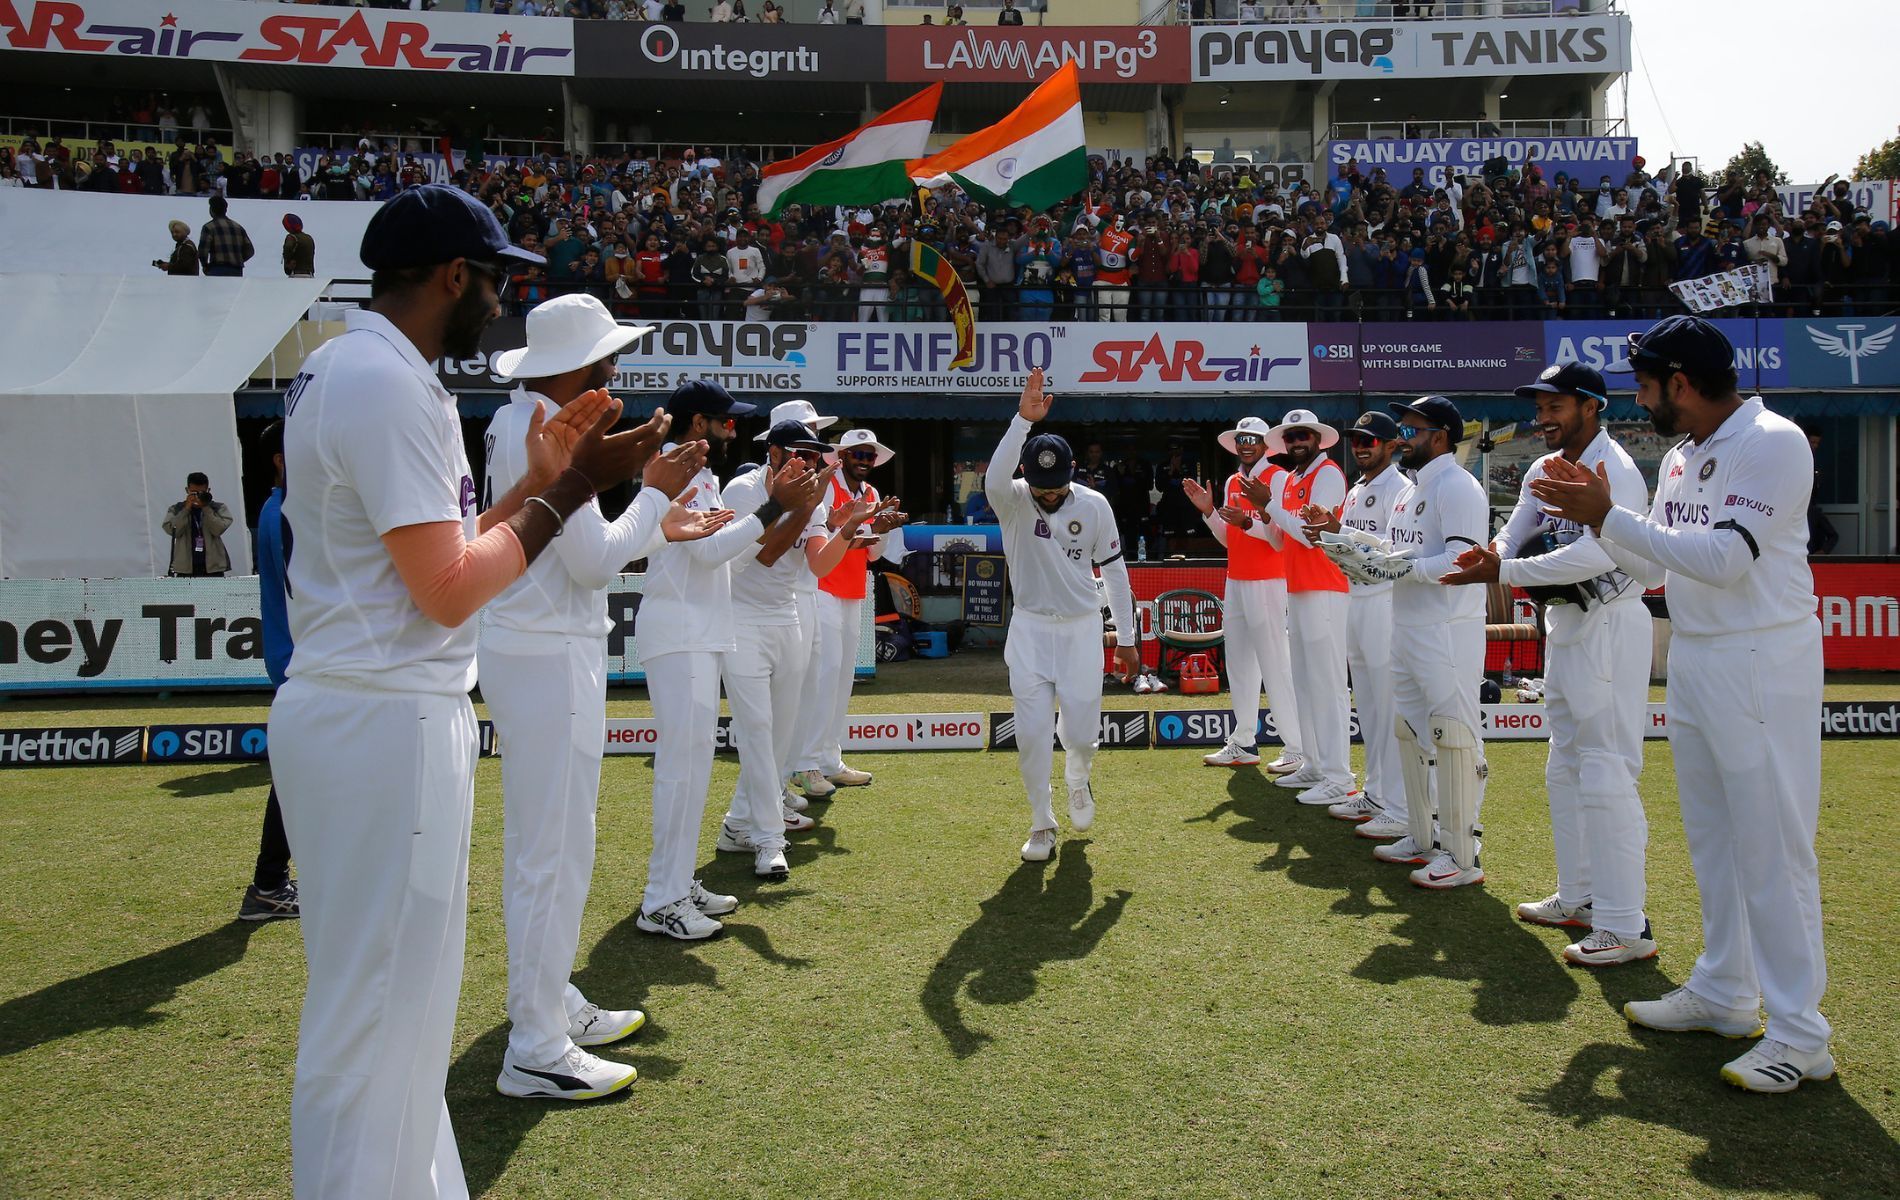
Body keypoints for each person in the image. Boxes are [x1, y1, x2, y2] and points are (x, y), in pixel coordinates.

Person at [271, 183, 665, 1197]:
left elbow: (428, 554)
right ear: (455, 276)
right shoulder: (389, 384)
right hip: (384, 715)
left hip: (370, 705)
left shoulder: (346, 364)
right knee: (375, 1014)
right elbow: (449, 593)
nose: (498, 303)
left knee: (394, 1011)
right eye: (493, 281)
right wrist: (568, 492)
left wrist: (535, 486)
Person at [1530, 315, 1833, 1093]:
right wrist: (1597, 521)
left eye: (1646, 383)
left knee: (1774, 848)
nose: (1640, 397)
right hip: (1698, 655)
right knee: (1717, 840)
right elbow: (1655, 566)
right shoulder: (1683, 455)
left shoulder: (1773, 441)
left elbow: (1728, 560)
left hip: (1762, 656)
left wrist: (1608, 515)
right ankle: (1727, 993)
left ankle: (1801, 1037)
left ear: (1682, 383)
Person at [479, 295, 731, 1101]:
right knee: (553, 853)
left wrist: (660, 522)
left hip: (541, 646)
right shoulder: (552, 434)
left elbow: (589, 552)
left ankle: (547, 1005)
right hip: (547, 650)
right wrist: (655, 495)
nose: (616, 370)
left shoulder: (526, 417)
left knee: (553, 847)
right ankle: (537, 1045)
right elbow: (591, 563)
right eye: (607, 357)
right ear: (577, 367)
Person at [1441, 362, 1664, 965]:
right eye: (1539, 407)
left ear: (1591, 405)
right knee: (1564, 762)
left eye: (1554, 406)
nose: (1542, 418)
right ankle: (1580, 896)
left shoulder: (1613, 470)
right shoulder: (1543, 468)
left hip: (1613, 620)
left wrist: (1505, 572)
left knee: (1607, 769)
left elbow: (1599, 553)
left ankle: (1626, 923)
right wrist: (1490, 558)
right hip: (1565, 622)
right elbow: (1515, 531)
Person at [633, 381, 827, 940]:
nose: (733, 429)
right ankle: (661, 899)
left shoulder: (700, 476)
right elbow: (715, 551)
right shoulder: (677, 474)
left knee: (691, 772)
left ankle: (675, 882)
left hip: (699, 629)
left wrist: (781, 514)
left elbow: (730, 557)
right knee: (681, 770)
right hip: (680, 630)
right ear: (700, 424)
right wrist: (775, 507)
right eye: (726, 421)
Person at [1320, 397, 1489, 888]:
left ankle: (1462, 850)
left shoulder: (1459, 486)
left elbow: (1462, 560)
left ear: (1440, 436)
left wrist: (1402, 568)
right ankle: (1422, 834)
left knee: (1455, 737)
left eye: (1412, 429)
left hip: (1447, 628)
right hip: (1408, 623)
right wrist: (1346, 540)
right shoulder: (1412, 489)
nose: (1402, 437)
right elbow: (1395, 550)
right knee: (1412, 733)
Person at [987, 368, 1139, 861]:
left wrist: (1128, 638)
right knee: (1031, 736)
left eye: (1055, 486)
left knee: (1081, 734)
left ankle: (1078, 775)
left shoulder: (1094, 505)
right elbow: (995, 474)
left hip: (1080, 630)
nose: (1047, 494)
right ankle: (1040, 822)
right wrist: (1020, 422)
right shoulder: (1010, 500)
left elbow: (1114, 574)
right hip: (1029, 629)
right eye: (1039, 485)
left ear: (1072, 473)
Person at [713, 421, 872, 878]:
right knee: (759, 730)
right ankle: (768, 839)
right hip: (740, 618)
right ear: (775, 453)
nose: (811, 463)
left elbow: (819, 561)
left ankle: (736, 825)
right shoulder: (743, 491)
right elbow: (764, 552)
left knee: (779, 737)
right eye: (801, 453)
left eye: (816, 455)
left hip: (788, 618)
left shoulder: (813, 499)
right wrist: (804, 506)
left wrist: (849, 529)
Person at [1295, 412, 1407, 833]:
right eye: (1357, 440)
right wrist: (1331, 532)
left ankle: (1395, 803)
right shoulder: (1359, 488)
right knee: (1369, 704)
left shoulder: (1400, 487)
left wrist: (1342, 538)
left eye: (1370, 441)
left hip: (1383, 599)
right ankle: (1376, 793)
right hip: (1355, 596)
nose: (1361, 447)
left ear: (1391, 445)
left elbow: (1395, 551)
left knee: (1386, 704)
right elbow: (1354, 540)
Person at [791, 424, 907, 799]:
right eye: (857, 454)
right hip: (823, 588)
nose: (864, 461)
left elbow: (873, 553)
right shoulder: (828, 486)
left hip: (854, 590)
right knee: (822, 678)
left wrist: (884, 528)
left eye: (869, 455)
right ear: (841, 456)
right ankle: (806, 764)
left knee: (841, 679)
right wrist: (862, 529)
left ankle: (828, 760)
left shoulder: (870, 493)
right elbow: (822, 533)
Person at [1184, 418, 1304, 776]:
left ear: (1267, 444)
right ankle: (1243, 741)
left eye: (1253, 439)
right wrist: (1208, 511)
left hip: (1268, 580)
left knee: (1275, 664)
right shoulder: (1234, 481)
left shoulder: (1278, 478)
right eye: (1241, 440)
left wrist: (1245, 523)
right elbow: (1228, 539)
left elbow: (1278, 536)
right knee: (1239, 663)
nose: (1246, 445)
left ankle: (1296, 747)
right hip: (1236, 578)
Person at [1249, 410, 1353, 807]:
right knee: (1307, 684)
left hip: (1327, 586)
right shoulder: (1292, 479)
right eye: (1291, 437)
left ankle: (1339, 776)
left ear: (1318, 439)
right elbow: (1280, 541)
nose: (1296, 443)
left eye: (1303, 436)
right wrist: (1255, 518)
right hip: (1299, 586)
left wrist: (1270, 507)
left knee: (1327, 684)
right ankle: (1313, 763)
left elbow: (1312, 537)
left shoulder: (1327, 475)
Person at [241, 423, 298, 923]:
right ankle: (268, 882)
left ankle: (271, 882)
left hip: (295, 661)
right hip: (302, 662)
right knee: (297, 778)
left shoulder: (273, 509)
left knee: (298, 777)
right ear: (281, 458)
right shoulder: (283, 513)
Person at [163, 472, 233, 577]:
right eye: (194, 493)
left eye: (202, 493)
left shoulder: (218, 508)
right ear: (187, 490)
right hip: (186, 568)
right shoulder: (176, 509)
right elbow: (173, 531)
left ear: (208, 491)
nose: (198, 496)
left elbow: (218, 529)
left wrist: (205, 507)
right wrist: (186, 509)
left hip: (212, 568)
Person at [198, 194, 254, 277]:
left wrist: (205, 265)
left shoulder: (208, 227)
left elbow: (203, 250)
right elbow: (250, 251)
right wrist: (238, 260)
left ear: (211, 210)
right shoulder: (238, 227)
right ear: (225, 210)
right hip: (236, 269)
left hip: (217, 268)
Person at [282, 213, 316, 278]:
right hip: (310, 274)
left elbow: (288, 248)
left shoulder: (291, 237)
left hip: (296, 274)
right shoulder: (309, 238)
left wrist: (288, 262)